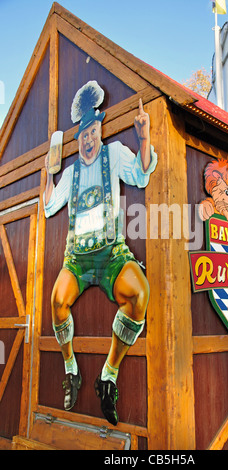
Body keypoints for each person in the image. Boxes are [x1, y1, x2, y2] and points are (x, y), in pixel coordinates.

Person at [44, 81, 157, 425]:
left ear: (100, 130)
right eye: (83, 136)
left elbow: (140, 174)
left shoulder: (114, 153)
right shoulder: (70, 172)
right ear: (77, 139)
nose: (89, 140)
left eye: (93, 132)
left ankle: (108, 375)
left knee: (140, 293)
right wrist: (48, 173)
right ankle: (71, 369)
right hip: (77, 259)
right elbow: (49, 205)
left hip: (111, 255)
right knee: (56, 301)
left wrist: (143, 137)